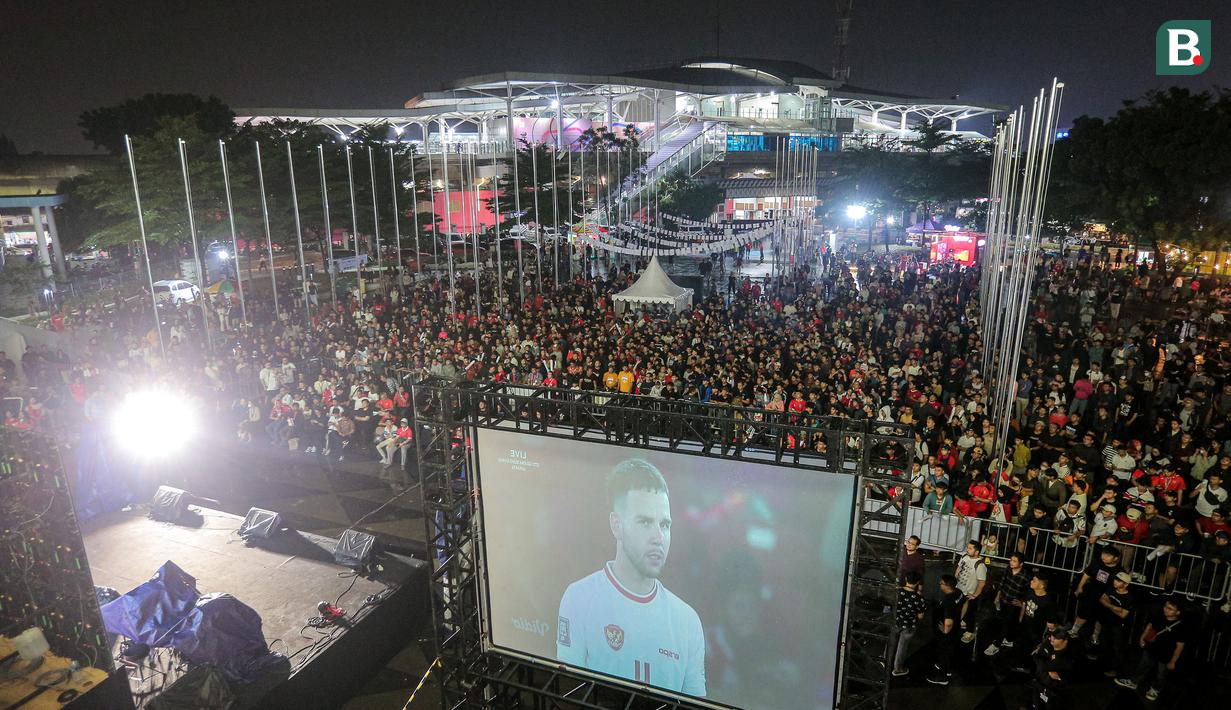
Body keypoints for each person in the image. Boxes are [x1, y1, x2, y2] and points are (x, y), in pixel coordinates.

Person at [557, 459, 704, 695]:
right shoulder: (579, 598)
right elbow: (568, 693)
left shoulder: (687, 622)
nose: (659, 537)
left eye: (665, 524)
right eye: (645, 522)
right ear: (616, 525)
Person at [1114, 599, 1191, 702]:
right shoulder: (1159, 616)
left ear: (1178, 612)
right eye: (1165, 607)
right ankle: (1134, 682)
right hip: (1151, 648)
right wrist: (1142, 637)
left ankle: (1155, 689)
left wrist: (1173, 661)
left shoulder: (1181, 627)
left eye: (1170, 609)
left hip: (1166, 655)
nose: (1166, 610)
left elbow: (1180, 645)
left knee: (1161, 673)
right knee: (1142, 665)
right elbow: (1149, 626)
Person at [928, 574, 963, 685]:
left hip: (947, 631)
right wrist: (960, 618)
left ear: (947, 586)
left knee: (943, 651)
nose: (940, 585)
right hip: (956, 628)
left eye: (941, 583)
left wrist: (945, 630)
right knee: (949, 649)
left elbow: (948, 621)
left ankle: (943, 677)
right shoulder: (959, 592)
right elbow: (966, 602)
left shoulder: (948, 600)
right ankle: (946, 668)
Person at [891, 571, 927, 677]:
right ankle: (897, 669)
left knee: (891, 643)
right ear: (917, 583)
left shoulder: (896, 592)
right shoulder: (919, 598)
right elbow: (920, 616)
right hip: (909, 625)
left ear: (906, 579)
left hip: (895, 622)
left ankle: (885, 662)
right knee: (902, 647)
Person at [1031, 626, 1076, 709]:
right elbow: (1037, 654)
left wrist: (1038, 658)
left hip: (1052, 690)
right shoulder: (1049, 644)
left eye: (1057, 638)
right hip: (1039, 682)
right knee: (1036, 705)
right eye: (1053, 636)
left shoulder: (1066, 658)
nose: (1052, 638)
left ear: (1065, 641)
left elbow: (1045, 666)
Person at [954, 540, 988, 643]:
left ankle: (970, 632)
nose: (967, 550)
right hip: (960, 588)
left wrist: (975, 595)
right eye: (967, 547)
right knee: (959, 609)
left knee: (970, 613)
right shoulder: (964, 557)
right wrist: (956, 574)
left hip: (970, 593)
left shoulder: (980, 565)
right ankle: (961, 623)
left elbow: (982, 582)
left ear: (977, 552)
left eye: (970, 548)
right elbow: (959, 567)